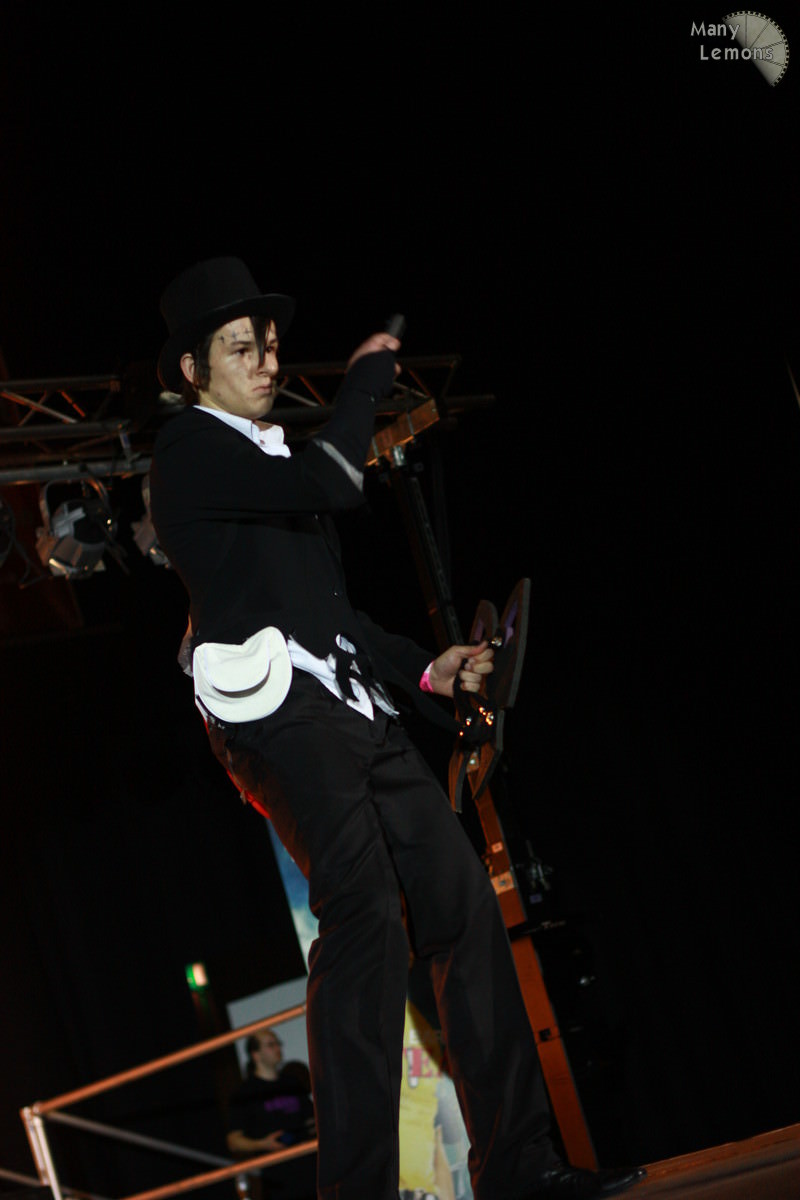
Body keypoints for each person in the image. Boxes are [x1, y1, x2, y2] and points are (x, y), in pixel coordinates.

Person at [149, 257, 646, 1200]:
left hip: (350, 706)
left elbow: (329, 617)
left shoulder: (274, 460)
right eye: (243, 349)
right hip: (276, 717)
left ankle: (518, 1166)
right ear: (190, 369)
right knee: (366, 913)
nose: (267, 363)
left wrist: (425, 668)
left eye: (271, 347)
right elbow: (339, 480)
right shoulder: (189, 454)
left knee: (461, 899)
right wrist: (364, 385)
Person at [227, 1029, 316, 1200]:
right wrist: (262, 1144)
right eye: (270, 1045)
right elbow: (233, 1141)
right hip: (280, 1181)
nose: (278, 1048)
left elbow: (312, 1118)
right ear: (256, 1055)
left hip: (311, 1171)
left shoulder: (292, 1083)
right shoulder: (245, 1093)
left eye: (277, 1043)